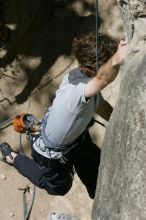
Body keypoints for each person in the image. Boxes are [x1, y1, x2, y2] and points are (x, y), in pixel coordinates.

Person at [0, 32, 128, 199]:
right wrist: (117, 59)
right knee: (59, 187)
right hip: (49, 154)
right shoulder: (78, 91)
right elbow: (103, 78)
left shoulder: (81, 78)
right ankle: (13, 158)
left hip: (77, 140)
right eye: (108, 62)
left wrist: (122, 125)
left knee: (97, 176)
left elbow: (101, 105)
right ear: (95, 67)